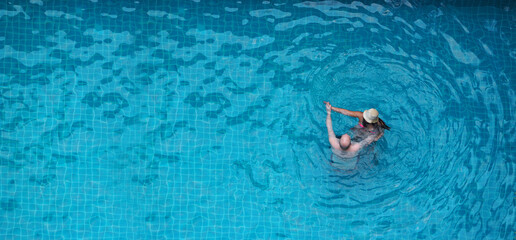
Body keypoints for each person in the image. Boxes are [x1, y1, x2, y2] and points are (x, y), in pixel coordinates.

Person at [325, 101, 390, 142]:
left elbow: (381, 134)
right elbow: (346, 112)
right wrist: (331, 108)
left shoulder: (379, 124)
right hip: (355, 133)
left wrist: (373, 139)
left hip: (365, 138)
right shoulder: (361, 115)